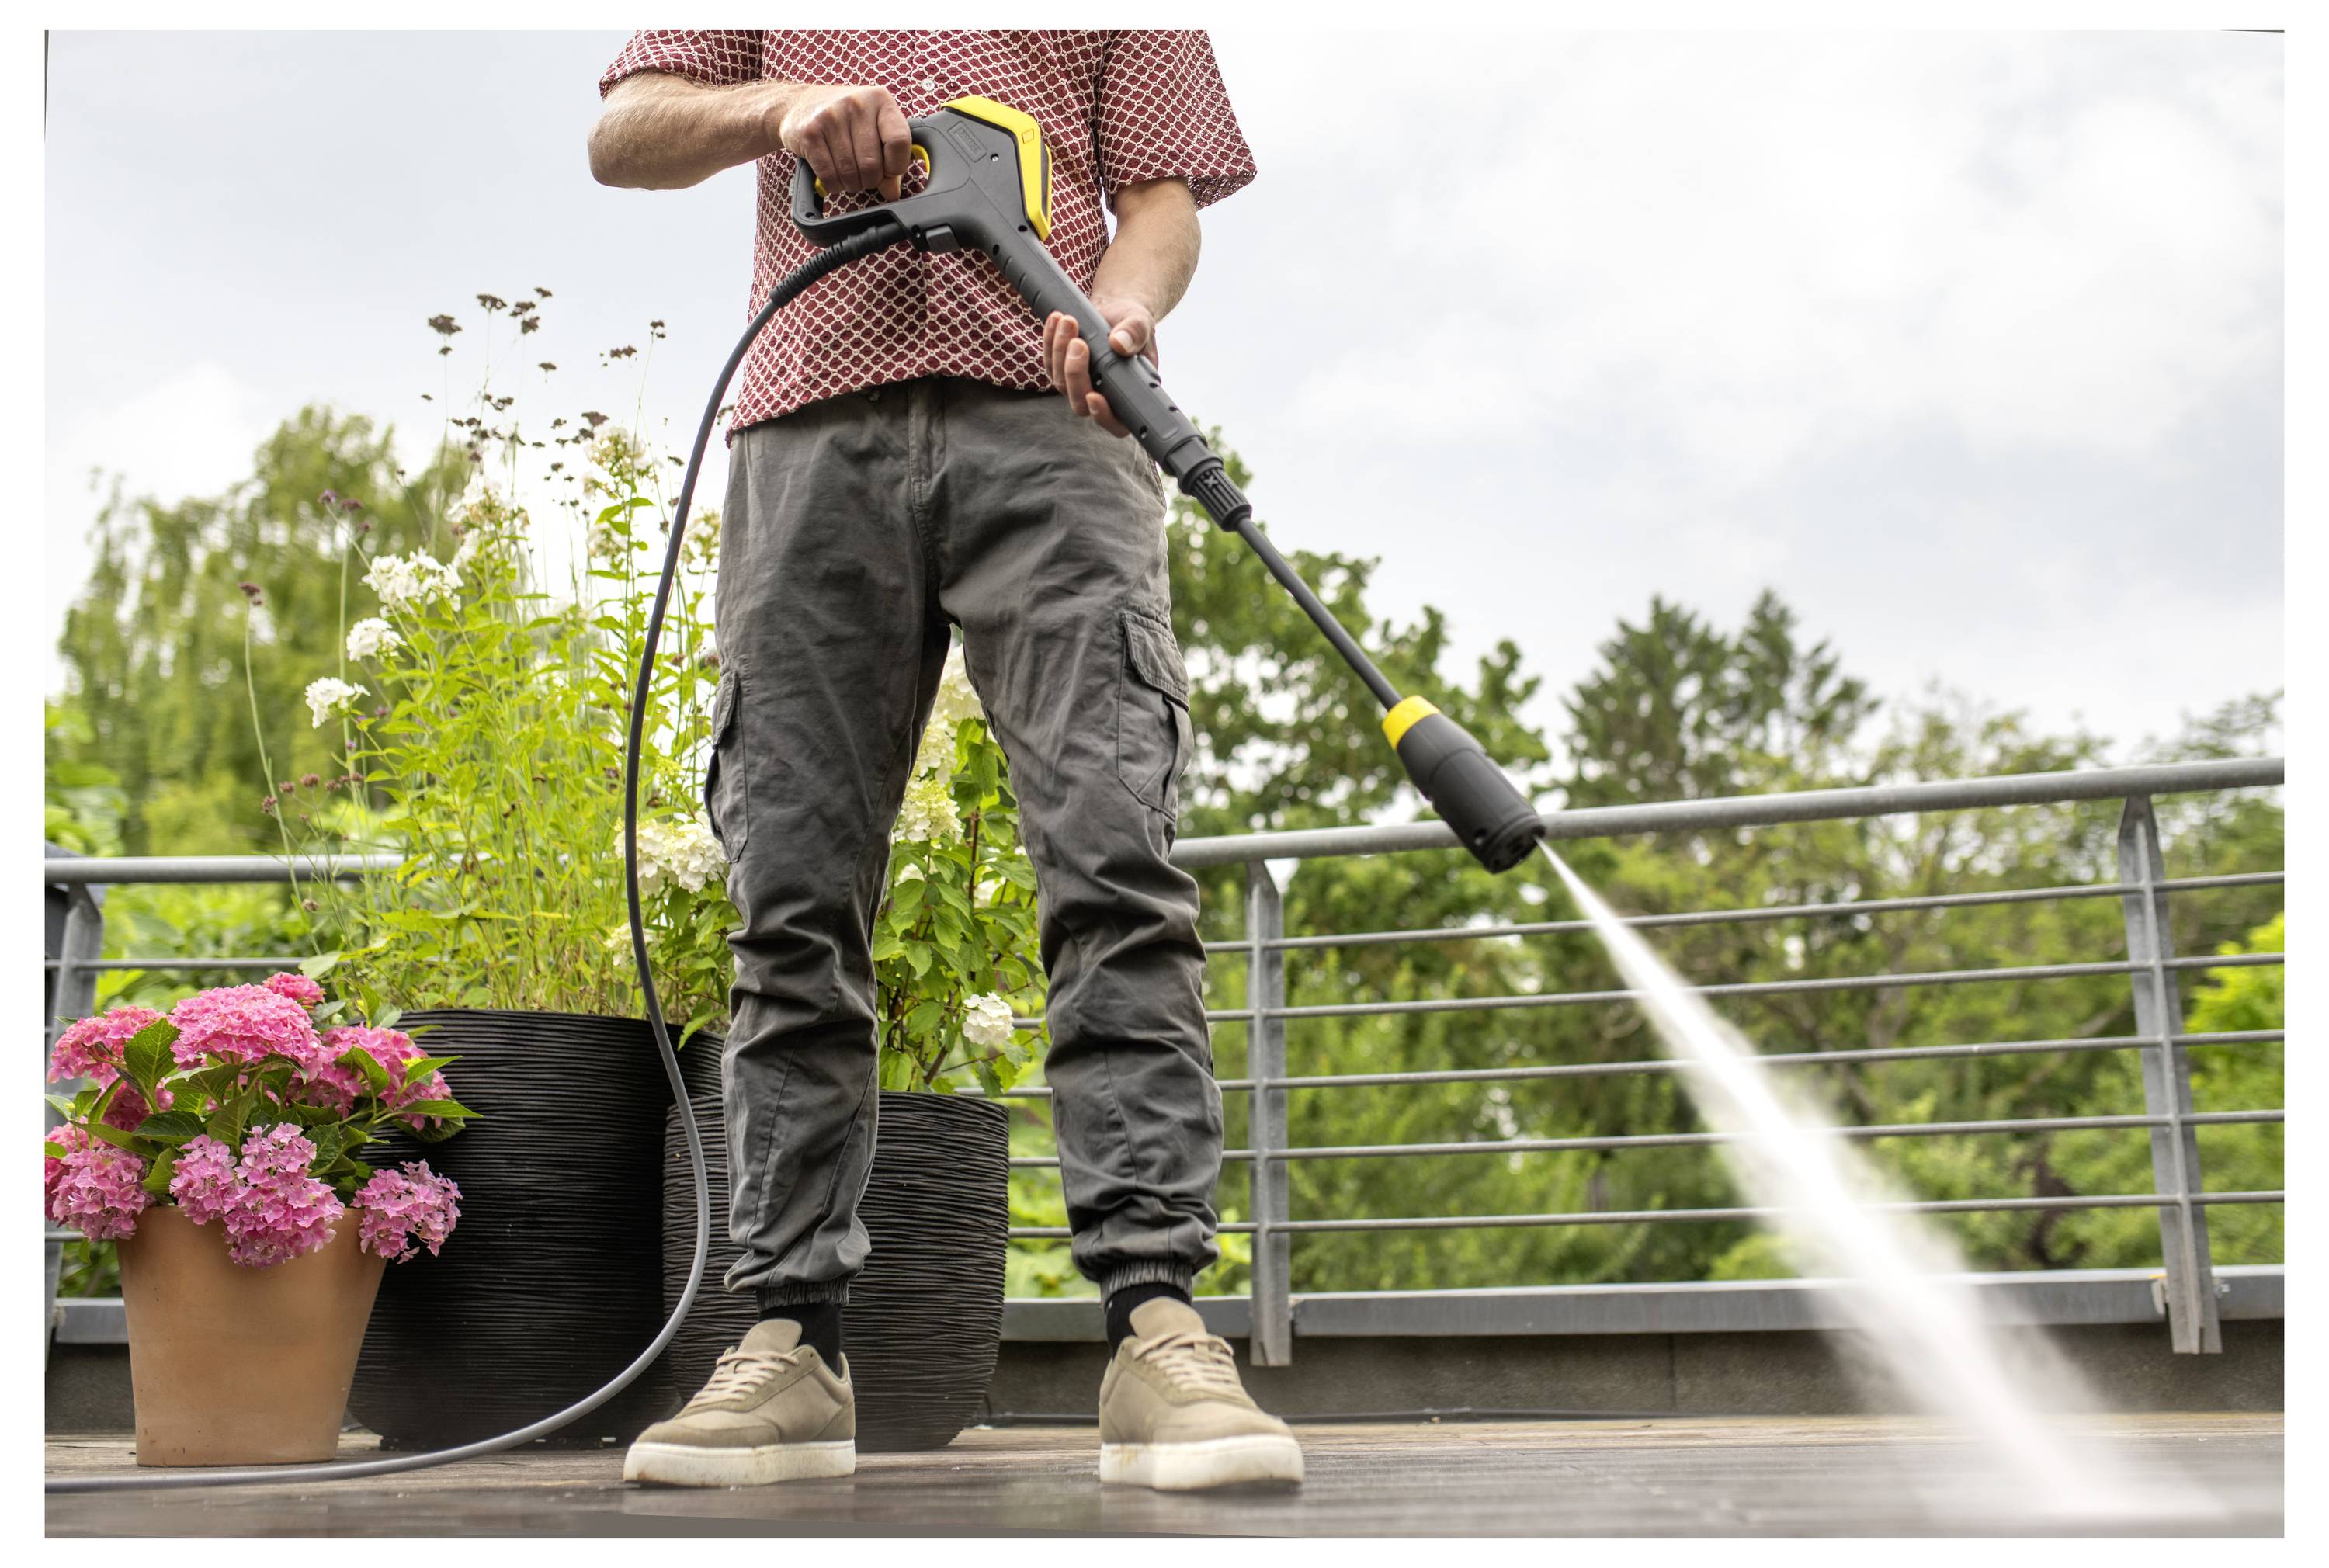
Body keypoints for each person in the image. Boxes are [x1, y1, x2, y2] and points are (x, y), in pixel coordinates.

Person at [587, 30, 1301, 1492]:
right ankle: (790, 1341)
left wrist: (1124, 300)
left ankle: (1159, 1330)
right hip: (806, 436)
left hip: (1058, 434)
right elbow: (627, 129)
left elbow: (1162, 195)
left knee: (1116, 867)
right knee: (790, 898)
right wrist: (782, 107)